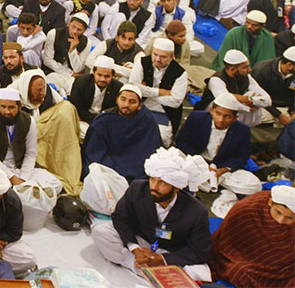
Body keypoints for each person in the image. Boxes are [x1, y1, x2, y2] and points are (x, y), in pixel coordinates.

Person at [92, 148, 212, 282]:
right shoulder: (138, 189)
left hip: (170, 251)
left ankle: (154, 268)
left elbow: (201, 252)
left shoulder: (196, 211)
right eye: (152, 180)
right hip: (141, 242)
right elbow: (120, 218)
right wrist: (135, 249)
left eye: (162, 183)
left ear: (176, 187)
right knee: (101, 231)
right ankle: (141, 267)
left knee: (201, 272)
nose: (154, 187)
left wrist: (161, 259)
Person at [209, 186, 295, 288]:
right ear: (270, 203)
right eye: (278, 212)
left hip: (282, 263)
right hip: (242, 258)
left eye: (289, 218)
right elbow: (226, 244)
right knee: (239, 272)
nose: (281, 220)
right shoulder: (247, 210)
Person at [0, 87, 61, 190]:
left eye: (11, 107)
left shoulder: (29, 121)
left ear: (20, 107)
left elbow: (31, 153)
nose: (6, 111)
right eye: (3, 107)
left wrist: (23, 178)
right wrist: (11, 177)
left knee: (56, 184)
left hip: (21, 166)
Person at [81, 85, 163, 181]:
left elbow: (152, 149)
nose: (126, 105)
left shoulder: (146, 120)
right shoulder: (104, 120)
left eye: (132, 102)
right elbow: (94, 152)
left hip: (137, 164)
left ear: (140, 105)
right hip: (109, 164)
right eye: (123, 99)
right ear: (117, 100)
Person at [174, 94, 251, 178]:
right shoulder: (196, 118)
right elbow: (181, 141)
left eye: (227, 116)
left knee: (251, 184)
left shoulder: (243, 130)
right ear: (211, 111)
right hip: (194, 160)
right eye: (218, 113)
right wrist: (200, 163)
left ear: (235, 118)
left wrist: (223, 170)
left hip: (220, 168)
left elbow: (242, 156)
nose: (221, 119)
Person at [129, 36, 188, 143]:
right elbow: (133, 87)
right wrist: (159, 92)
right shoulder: (141, 62)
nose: (158, 59)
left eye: (163, 57)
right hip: (140, 107)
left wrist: (145, 91)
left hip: (164, 112)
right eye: (155, 54)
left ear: (172, 57)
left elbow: (176, 102)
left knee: (160, 140)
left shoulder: (180, 73)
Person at [196, 49, 271, 127]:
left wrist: (250, 100)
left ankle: (242, 129)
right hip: (212, 112)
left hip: (236, 110)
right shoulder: (216, 80)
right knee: (224, 104)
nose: (249, 70)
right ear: (232, 69)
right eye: (245, 67)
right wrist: (246, 106)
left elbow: (268, 100)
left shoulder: (246, 77)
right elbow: (225, 101)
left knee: (251, 95)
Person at [68, 55, 122, 126]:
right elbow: (77, 106)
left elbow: (115, 110)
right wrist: (95, 119)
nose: (102, 79)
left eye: (107, 76)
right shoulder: (81, 82)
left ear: (113, 75)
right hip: (83, 119)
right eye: (99, 75)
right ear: (93, 72)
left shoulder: (118, 87)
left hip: (105, 122)